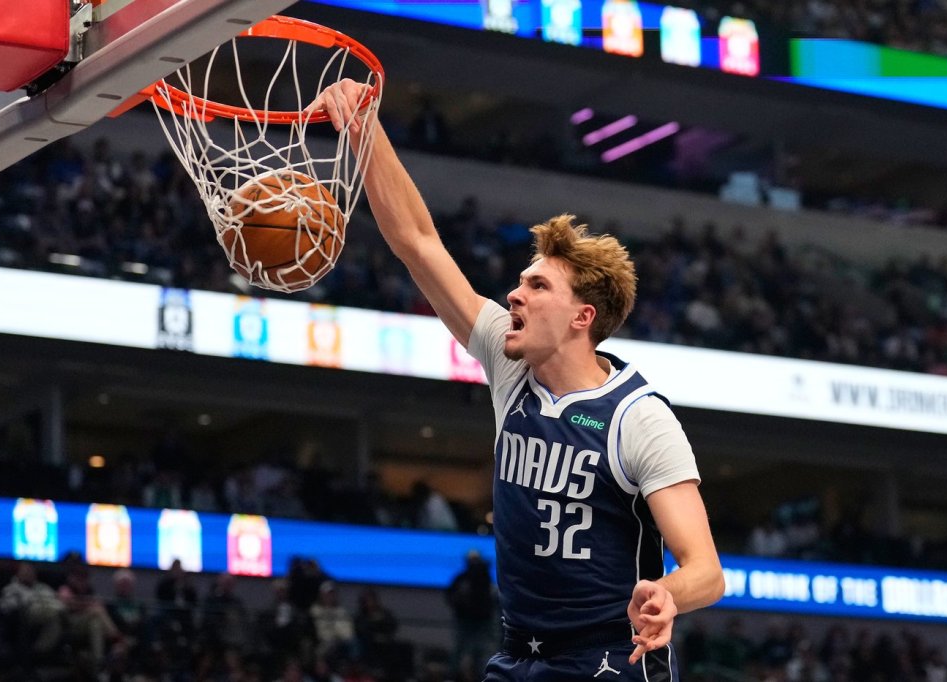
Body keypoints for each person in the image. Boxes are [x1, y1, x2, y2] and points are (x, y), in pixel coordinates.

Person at [310, 80, 725, 680]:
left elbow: (706, 569)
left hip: (610, 659)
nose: (513, 294)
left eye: (537, 286)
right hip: (519, 655)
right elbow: (418, 244)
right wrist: (364, 128)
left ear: (582, 317)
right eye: (521, 281)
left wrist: (668, 594)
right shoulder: (510, 363)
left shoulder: (638, 418)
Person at [446, 550, 497, 681]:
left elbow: (491, 599)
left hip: (482, 622)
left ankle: (481, 676)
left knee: (481, 650)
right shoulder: (462, 578)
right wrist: (460, 608)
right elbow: (450, 595)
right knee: (459, 649)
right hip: (465, 620)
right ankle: (452, 675)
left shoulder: (484, 579)